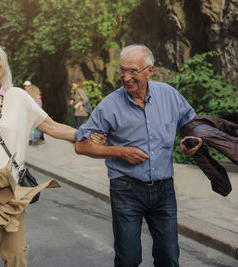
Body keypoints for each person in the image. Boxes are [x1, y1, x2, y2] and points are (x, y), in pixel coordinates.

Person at [0, 40, 88, 267]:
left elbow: (51, 127)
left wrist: (85, 134)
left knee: (16, 254)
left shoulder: (20, 97)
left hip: (10, 191)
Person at [75, 44, 201, 267]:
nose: (126, 77)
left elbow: (191, 124)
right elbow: (82, 145)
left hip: (164, 190)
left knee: (169, 258)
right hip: (126, 190)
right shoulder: (109, 105)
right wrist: (120, 151)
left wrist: (189, 141)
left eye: (133, 71)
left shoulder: (169, 95)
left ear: (149, 71)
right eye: (122, 70)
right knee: (128, 259)